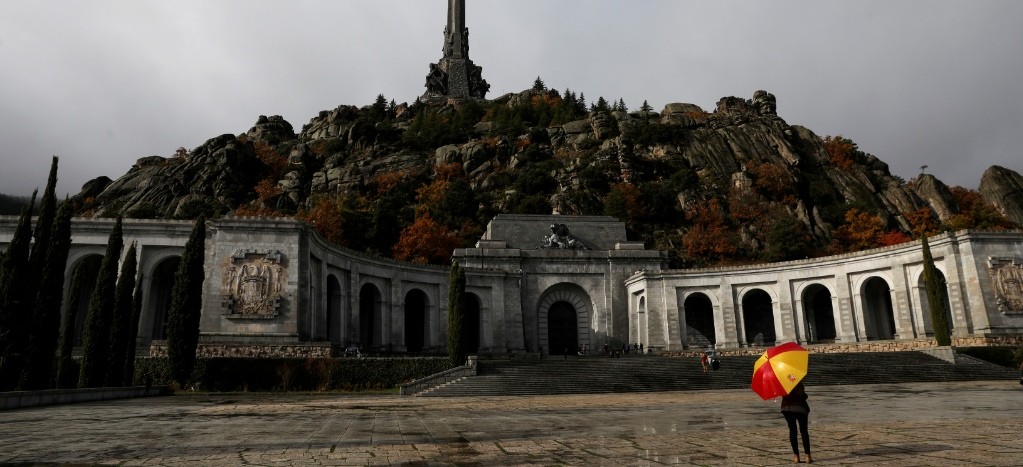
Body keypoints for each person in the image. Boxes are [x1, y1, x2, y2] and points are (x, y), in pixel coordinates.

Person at [780, 382, 812, 464]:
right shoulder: (797, 381)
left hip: (787, 408)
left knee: (793, 431)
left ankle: (796, 456)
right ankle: (807, 456)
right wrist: (805, 395)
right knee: (804, 431)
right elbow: (802, 395)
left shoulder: (782, 383)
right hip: (800, 408)